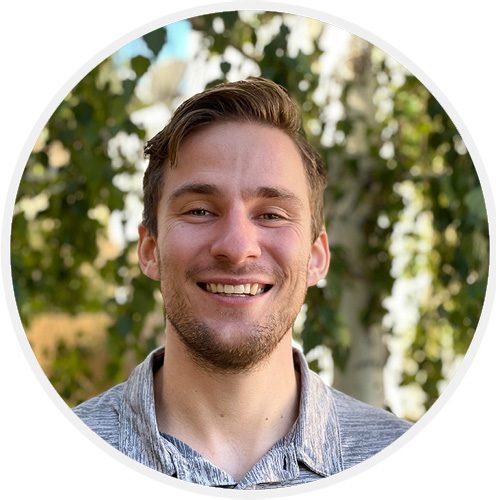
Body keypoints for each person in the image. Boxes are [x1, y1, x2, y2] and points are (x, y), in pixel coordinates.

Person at [74, 77, 411, 489]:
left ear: (316, 258)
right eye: (199, 211)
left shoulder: (410, 469)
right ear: (149, 249)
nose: (236, 248)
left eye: (271, 214)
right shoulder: (49, 464)